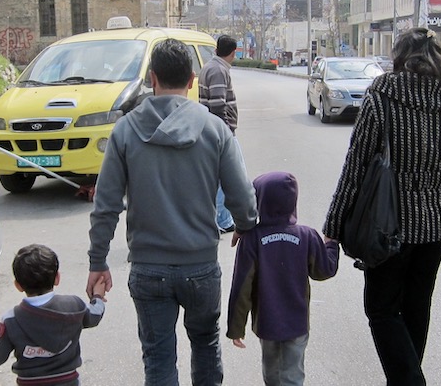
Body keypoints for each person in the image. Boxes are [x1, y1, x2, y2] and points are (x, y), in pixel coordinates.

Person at [87, 38, 258, 386]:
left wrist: (97, 261)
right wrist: (244, 225)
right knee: (206, 346)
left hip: (148, 270)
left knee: (158, 357)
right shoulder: (216, 130)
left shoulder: (125, 131)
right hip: (201, 267)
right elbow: (242, 198)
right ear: (193, 80)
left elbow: (105, 206)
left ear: (152, 78)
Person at [323, 27, 441, 386]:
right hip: (437, 227)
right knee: (416, 305)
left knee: (380, 309)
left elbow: (357, 166)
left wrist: (333, 226)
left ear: (399, 58)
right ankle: (406, 378)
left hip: (387, 225)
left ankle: (410, 380)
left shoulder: (381, 98)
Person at [227, 171, 340, 386]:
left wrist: (236, 327)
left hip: (267, 324)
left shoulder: (251, 239)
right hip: (297, 322)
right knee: (292, 375)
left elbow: (241, 287)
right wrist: (331, 245)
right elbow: (324, 270)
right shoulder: (307, 236)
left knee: (272, 374)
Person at [0, 244, 105, 386]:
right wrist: (97, 296)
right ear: (57, 278)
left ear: (18, 285)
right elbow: (95, 315)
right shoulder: (74, 306)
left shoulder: (12, 320)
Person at [199, 34, 240, 233]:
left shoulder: (211, 67)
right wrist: (223, 134)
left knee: (218, 177)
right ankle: (222, 220)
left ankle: (220, 219)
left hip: (214, 131)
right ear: (233, 52)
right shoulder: (217, 70)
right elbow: (217, 104)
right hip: (222, 133)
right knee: (230, 175)